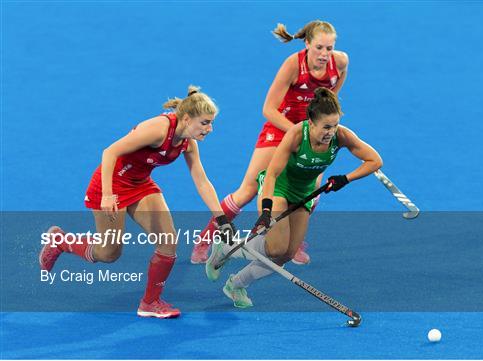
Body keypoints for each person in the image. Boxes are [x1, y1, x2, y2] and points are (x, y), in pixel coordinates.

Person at [39, 86, 237, 318]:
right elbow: (110, 152)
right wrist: (107, 194)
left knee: (168, 241)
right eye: (205, 122)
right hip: (110, 184)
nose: (210, 129)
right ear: (186, 118)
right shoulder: (158, 129)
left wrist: (221, 219)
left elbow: (202, 181)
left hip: (140, 184)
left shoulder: (188, 143)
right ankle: (60, 241)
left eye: (211, 123)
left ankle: (150, 302)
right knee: (109, 253)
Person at [205, 88, 383, 308]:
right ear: (311, 122)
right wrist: (267, 210)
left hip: (304, 194)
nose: (331, 132)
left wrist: (345, 179)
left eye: (334, 125)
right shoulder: (297, 135)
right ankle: (226, 248)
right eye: (326, 127)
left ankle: (236, 284)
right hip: (278, 188)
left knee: (286, 255)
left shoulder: (342, 136)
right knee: (276, 248)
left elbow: (375, 161)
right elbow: (271, 174)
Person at [191, 20, 349, 265]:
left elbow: (331, 98)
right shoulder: (293, 66)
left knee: (309, 192)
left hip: (312, 131)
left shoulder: (340, 62)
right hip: (281, 128)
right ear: (307, 43)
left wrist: (325, 123)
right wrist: (299, 133)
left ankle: (294, 240)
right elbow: (268, 109)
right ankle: (206, 239)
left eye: (329, 48)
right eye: (319, 47)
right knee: (249, 190)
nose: (324, 54)